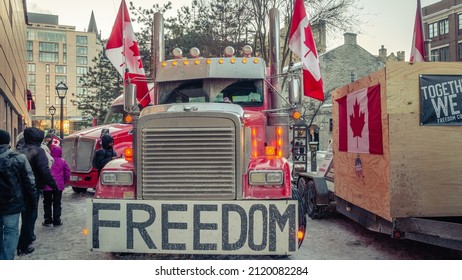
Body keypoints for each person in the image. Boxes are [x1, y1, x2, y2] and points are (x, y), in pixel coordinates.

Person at [16, 127, 57, 256]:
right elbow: (44, 171)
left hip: (17, 187)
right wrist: (54, 185)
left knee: (21, 216)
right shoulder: (38, 151)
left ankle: (25, 239)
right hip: (32, 188)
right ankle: (24, 244)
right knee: (30, 216)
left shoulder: (18, 150)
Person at [0, 130, 37, 260]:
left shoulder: (18, 157)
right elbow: (30, 181)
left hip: (12, 203)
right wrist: (32, 200)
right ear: (8, 141)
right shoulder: (18, 158)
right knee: (11, 232)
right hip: (12, 203)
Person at [42, 145, 70, 227]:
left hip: (47, 185)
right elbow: (67, 173)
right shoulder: (63, 161)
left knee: (47, 202)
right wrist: (64, 182)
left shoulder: (48, 160)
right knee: (57, 203)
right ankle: (57, 220)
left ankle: (47, 219)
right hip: (58, 186)